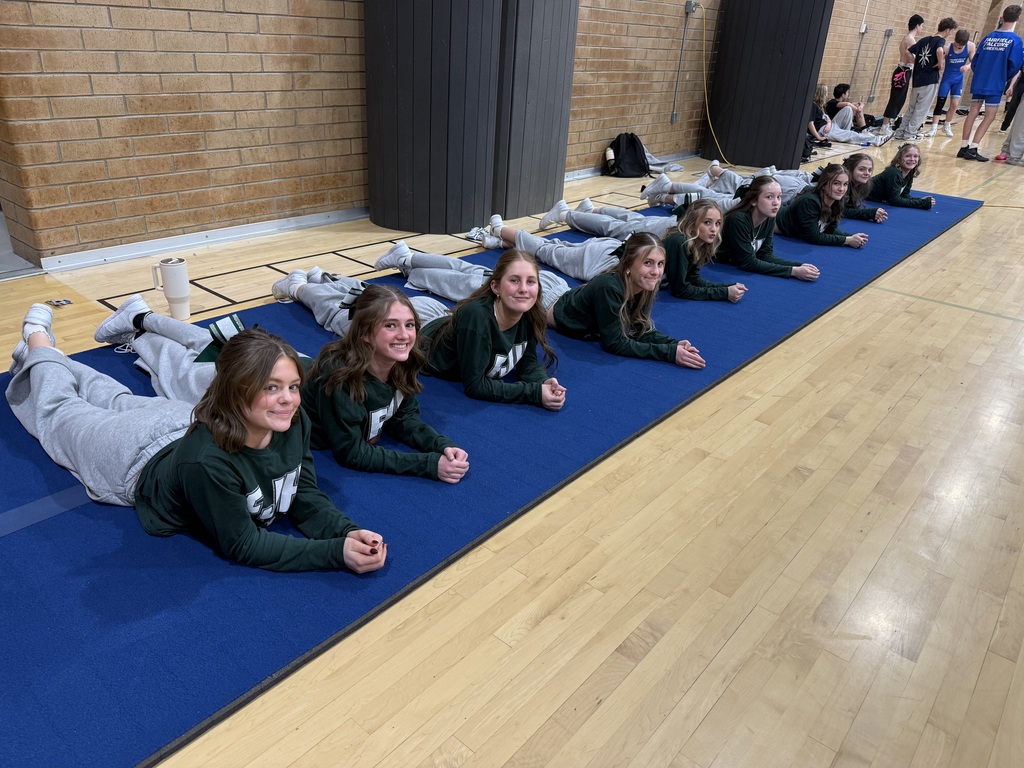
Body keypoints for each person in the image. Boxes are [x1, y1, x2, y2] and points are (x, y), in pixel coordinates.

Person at [6, 305, 387, 573]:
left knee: (112, 397)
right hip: (130, 458)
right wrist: (334, 554)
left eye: (292, 386)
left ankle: (43, 359)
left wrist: (345, 531)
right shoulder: (209, 463)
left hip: (178, 421)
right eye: (271, 388)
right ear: (238, 390)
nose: (288, 399)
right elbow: (244, 544)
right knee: (61, 412)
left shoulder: (293, 420)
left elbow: (301, 488)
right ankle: (39, 343)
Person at [303, 284, 469, 483]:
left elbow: (404, 418)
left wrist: (441, 445)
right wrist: (430, 464)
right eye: (390, 325)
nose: (404, 335)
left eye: (409, 325)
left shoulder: (402, 361)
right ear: (364, 333)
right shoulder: (338, 377)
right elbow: (352, 453)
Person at [405, 249, 566, 409]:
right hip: (421, 325)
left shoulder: (530, 314)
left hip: (448, 322)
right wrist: (534, 393)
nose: (524, 289)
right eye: (514, 280)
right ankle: (406, 261)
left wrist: (543, 381)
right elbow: (475, 386)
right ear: (495, 287)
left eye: (530, 281)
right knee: (384, 307)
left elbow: (527, 362)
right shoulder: (477, 318)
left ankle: (407, 263)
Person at [546, 232, 706, 368]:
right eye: (648, 263)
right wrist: (669, 353)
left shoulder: (644, 285)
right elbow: (615, 343)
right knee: (541, 251)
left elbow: (638, 328)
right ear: (628, 265)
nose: (656, 272)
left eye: (660, 264)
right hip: (544, 300)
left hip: (564, 292)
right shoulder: (610, 288)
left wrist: (674, 344)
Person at [717, 176, 821, 281]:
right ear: (754, 200)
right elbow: (748, 263)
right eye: (769, 197)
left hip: (731, 261)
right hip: (715, 264)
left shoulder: (769, 218)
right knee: (709, 195)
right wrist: (792, 271)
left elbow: (765, 255)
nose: (776, 203)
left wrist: (799, 266)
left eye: (779, 197)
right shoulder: (738, 220)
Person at [957, 5, 1024, 161]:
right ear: (1018, 19)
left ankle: (963, 146)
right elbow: (1015, 64)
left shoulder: (988, 37)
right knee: (990, 115)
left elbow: (975, 61)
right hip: (995, 81)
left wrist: (980, 73)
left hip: (980, 79)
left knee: (973, 111)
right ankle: (973, 148)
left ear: (1002, 17)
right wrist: (1004, 77)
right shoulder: (1015, 40)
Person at [662, 199, 747, 302]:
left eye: (718, 223)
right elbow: (680, 289)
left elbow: (693, 279)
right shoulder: (679, 242)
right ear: (692, 223)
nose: (714, 229)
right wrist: (724, 293)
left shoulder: (701, 243)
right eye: (707, 222)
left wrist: (726, 288)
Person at [774, 164, 869, 249]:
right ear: (824, 185)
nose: (841, 189)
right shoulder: (810, 201)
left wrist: (851, 237)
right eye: (836, 183)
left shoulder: (838, 201)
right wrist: (847, 240)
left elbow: (829, 229)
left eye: (845, 184)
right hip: (770, 220)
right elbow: (813, 237)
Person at [896, 18, 956, 140]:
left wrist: (916, 62)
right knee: (921, 110)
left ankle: (900, 132)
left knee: (912, 108)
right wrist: (941, 63)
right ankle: (909, 134)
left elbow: (908, 52)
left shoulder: (924, 40)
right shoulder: (940, 41)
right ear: (947, 30)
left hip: (917, 80)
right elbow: (939, 50)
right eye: (951, 31)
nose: (950, 34)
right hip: (929, 80)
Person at [876, 14, 925, 137]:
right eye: (922, 25)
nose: (922, 28)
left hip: (904, 70)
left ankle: (889, 124)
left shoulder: (908, 38)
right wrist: (917, 62)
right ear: (917, 25)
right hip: (903, 71)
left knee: (899, 99)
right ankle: (884, 126)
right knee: (896, 99)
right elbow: (910, 56)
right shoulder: (910, 39)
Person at [927, 28, 975, 137]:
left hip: (958, 80)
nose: (958, 47)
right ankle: (933, 127)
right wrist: (940, 63)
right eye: (957, 45)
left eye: (961, 47)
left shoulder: (970, 46)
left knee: (954, 104)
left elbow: (974, 62)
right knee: (940, 103)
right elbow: (938, 59)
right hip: (947, 79)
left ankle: (947, 125)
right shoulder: (948, 47)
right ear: (955, 40)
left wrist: (967, 66)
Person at [868, 143, 936, 209]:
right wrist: (921, 203)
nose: (912, 159)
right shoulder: (893, 173)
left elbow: (904, 195)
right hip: (860, 193)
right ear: (899, 158)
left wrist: (921, 200)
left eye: (915, 156)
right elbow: (894, 200)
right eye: (908, 156)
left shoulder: (910, 173)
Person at [841, 153, 888, 223]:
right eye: (861, 169)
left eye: (870, 170)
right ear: (850, 169)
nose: (867, 173)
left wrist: (875, 214)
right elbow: (840, 211)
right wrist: (868, 213)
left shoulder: (860, 185)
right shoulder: (843, 186)